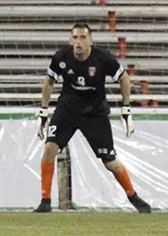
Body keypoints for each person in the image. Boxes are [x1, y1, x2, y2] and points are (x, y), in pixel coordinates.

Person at [33, 23, 151, 213]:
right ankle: (45, 201)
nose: (78, 42)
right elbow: (49, 81)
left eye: (82, 37)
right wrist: (43, 111)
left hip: (95, 113)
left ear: (91, 40)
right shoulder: (61, 57)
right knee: (49, 149)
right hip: (67, 110)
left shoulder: (103, 58)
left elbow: (124, 78)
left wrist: (126, 109)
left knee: (110, 162)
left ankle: (133, 196)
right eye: (75, 38)